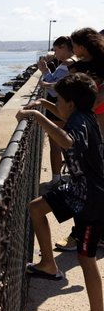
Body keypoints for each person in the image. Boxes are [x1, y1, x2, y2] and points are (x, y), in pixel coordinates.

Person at [16, 73, 104, 311]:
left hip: (91, 199)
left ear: (71, 103)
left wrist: (35, 115)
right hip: (78, 189)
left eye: (59, 100)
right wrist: (43, 104)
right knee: (36, 207)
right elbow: (62, 113)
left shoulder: (78, 122)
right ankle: (48, 264)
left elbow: (67, 142)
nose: (57, 104)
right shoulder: (84, 115)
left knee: (86, 259)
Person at [55, 27, 104, 251]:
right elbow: (67, 90)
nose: (72, 49)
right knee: (87, 178)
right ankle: (85, 233)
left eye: (74, 45)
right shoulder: (77, 66)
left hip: (98, 121)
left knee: (89, 180)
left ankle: (81, 235)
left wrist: (94, 100)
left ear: (82, 45)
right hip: (89, 122)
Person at [37, 36, 75, 189]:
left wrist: (45, 71)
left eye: (56, 49)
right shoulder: (71, 63)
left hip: (59, 109)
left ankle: (56, 179)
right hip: (64, 108)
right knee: (67, 144)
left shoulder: (68, 64)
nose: (54, 52)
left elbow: (54, 91)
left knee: (56, 146)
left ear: (64, 47)